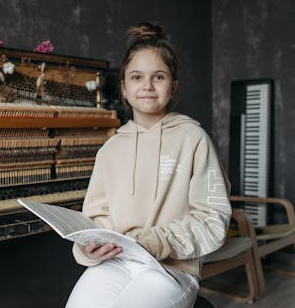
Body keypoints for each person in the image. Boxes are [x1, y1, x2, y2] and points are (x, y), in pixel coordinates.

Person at [66, 22, 231, 308]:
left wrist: (152, 241)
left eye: (159, 76)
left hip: (173, 269)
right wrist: (88, 248)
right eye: (136, 77)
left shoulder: (193, 138)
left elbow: (212, 218)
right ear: (124, 88)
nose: (147, 86)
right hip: (116, 262)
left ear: (173, 86)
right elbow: (97, 218)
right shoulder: (110, 149)